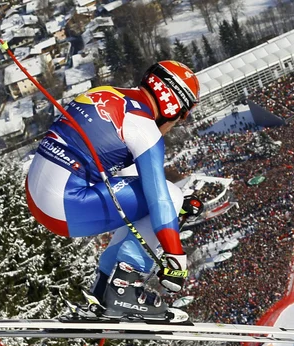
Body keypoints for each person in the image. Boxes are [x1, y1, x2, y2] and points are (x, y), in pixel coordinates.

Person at [25, 61, 201, 321]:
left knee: (166, 201)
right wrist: (175, 256)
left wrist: (174, 209)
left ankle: (104, 289)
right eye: (182, 116)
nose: (176, 123)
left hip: (39, 194)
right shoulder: (143, 126)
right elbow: (158, 197)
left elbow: (126, 179)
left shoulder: (109, 93)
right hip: (63, 205)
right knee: (170, 196)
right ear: (173, 105)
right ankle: (123, 288)